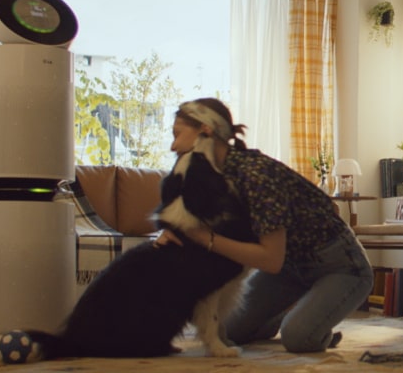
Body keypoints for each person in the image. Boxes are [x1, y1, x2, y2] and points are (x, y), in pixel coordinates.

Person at [156, 97, 373, 353]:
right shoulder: (209, 177)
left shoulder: (255, 174)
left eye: (177, 134)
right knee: (232, 330)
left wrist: (206, 239)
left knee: (298, 338)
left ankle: (310, 322)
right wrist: (171, 232)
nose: (173, 145)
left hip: (339, 266)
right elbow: (191, 221)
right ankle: (301, 311)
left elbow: (270, 259)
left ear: (206, 130)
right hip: (288, 270)